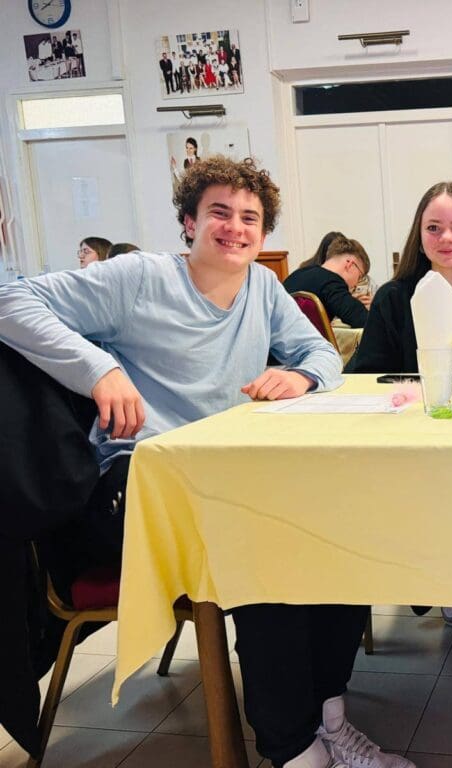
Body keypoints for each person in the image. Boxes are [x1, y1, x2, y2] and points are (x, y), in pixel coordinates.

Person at [0, 157, 398, 768]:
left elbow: (321, 354)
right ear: (189, 221)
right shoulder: (139, 278)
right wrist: (99, 369)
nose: (235, 228)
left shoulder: (263, 287)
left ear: (263, 233)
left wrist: (299, 375)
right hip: (140, 488)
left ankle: (329, 717)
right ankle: (293, 748)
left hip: (223, 476)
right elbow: (8, 298)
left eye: (250, 218)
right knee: (263, 545)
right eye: (219, 212)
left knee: (333, 530)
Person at [347, 181, 452, 374]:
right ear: (419, 237)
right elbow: (368, 376)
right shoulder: (392, 299)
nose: (447, 238)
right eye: (433, 228)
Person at [284, 233, 371, 328]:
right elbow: (362, 320)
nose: (356, 284)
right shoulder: (332, 282)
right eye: (359, 276)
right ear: (350, 265)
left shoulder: (297, 274)